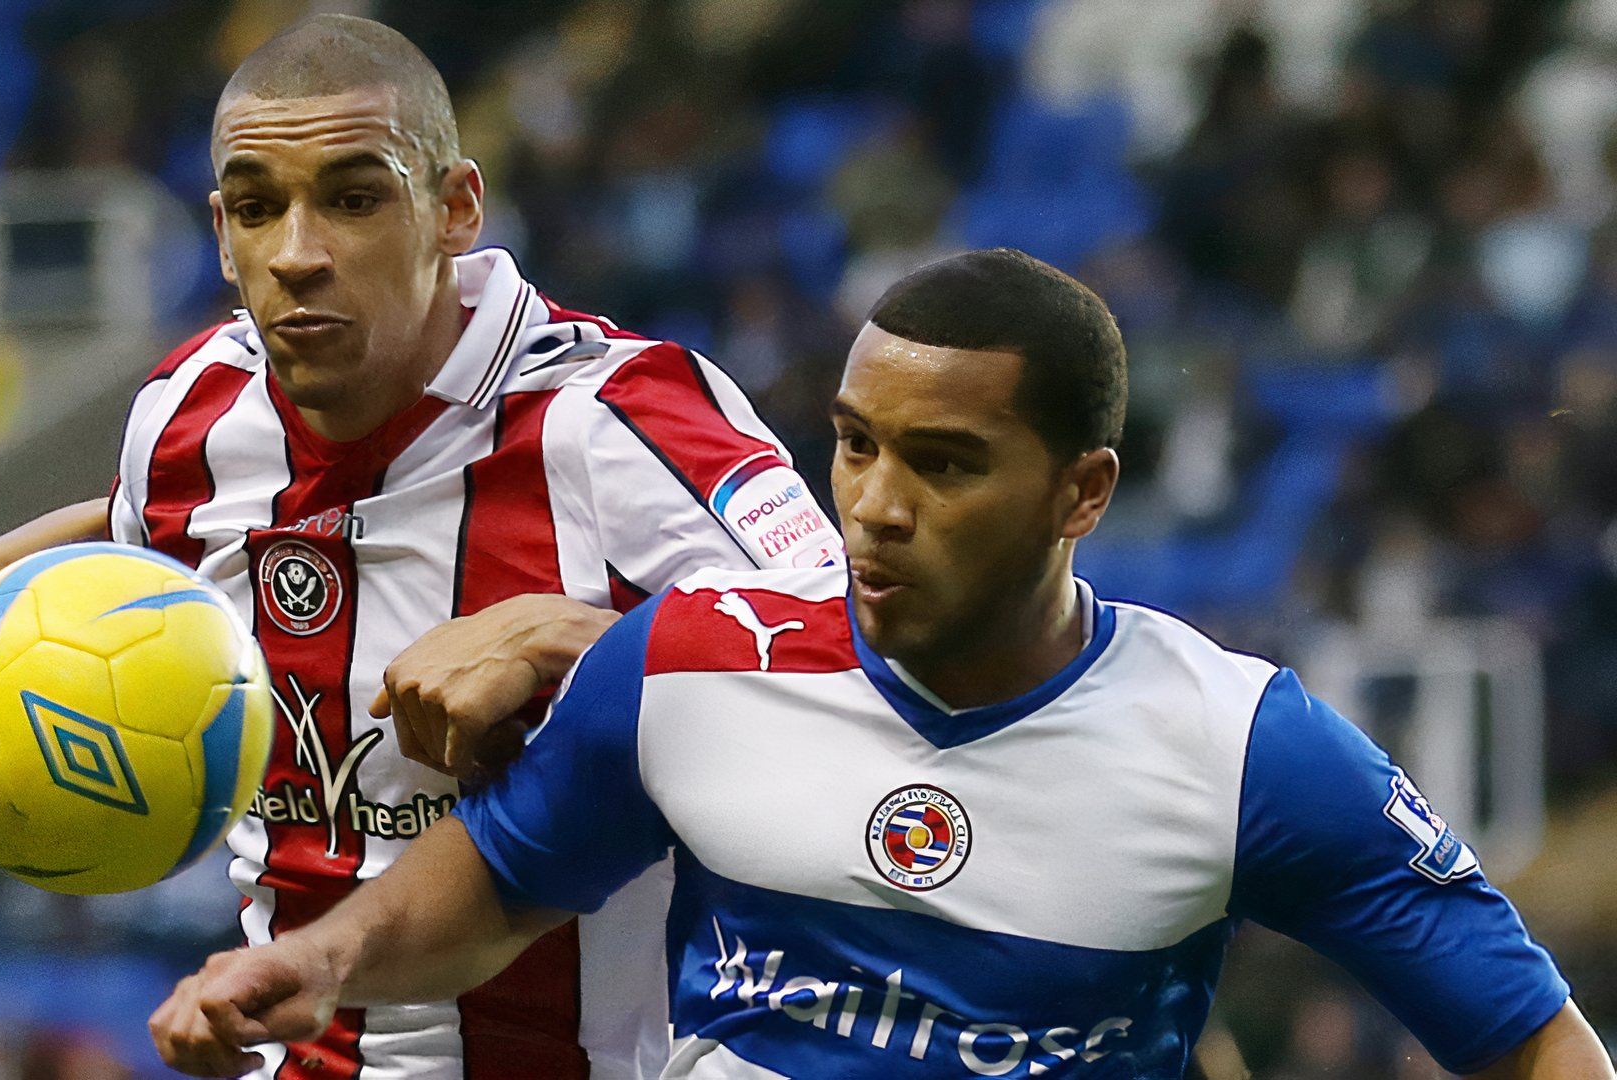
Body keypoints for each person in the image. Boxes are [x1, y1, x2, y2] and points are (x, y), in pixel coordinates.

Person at [0, 14, 840, 1080]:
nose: (297, 254)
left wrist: (567, 635)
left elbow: (864, 664)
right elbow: (128, 533)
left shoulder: (625, 423)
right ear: (219, 231)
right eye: (257, 207)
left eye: (352, 199)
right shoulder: (194, 414)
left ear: (455, 208)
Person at [161, 250, 1616, 1079]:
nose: (876, 502)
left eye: (946, 462)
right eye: (855, 443)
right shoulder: (686, 665)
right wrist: (313, 957)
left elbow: (1535, 1048)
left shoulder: (1242, 749)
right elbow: (488, 896)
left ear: (1083, 490)